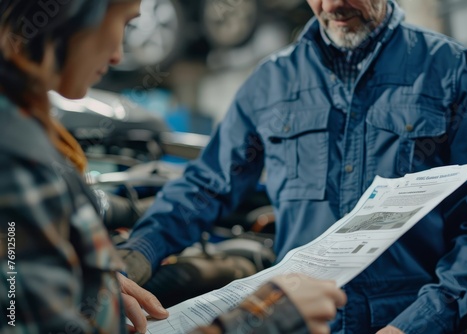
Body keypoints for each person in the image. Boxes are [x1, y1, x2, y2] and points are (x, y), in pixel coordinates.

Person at [117, 0, 467, 333]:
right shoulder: (271, 82)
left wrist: (422, 322)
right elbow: (206, 187)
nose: (331, 5)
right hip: (299, 321)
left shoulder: (447, 68)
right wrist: (137, 254)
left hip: (405, 316)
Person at [0, 0, 347, 333]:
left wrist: (92, 280)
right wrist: (262, 321)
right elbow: (211, 184)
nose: (120, 53)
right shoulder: (21, 161)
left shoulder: (27, 138)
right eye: (124, 21)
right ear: (74, 13)